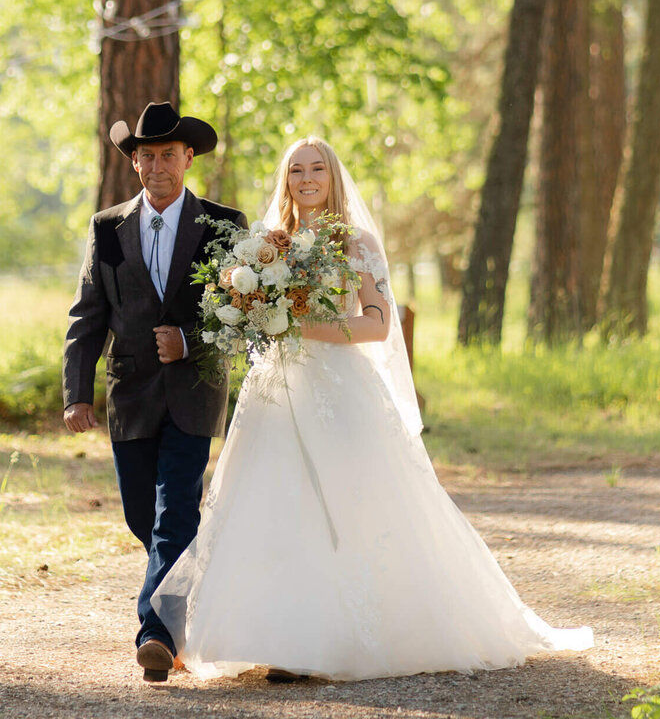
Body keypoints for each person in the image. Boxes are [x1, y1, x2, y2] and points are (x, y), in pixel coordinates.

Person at [150, 136, 593, 682]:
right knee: (273, 503)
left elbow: (377, 323)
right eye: (296, 171)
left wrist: (300, 325)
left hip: (340, 388)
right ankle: (276, 637)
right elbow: (245, 314)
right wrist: (251, 314)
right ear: (285, 180)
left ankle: (322, 642)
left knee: (345, 506)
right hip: (276, 391)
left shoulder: (357, 243)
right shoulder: (267, 243)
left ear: (333, 177)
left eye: (317, 169)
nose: (306, 179)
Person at [62, 101, 248, 683]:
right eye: (148, 156)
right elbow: (88, 314)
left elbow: (239, 314)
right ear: (134, 163)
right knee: (143, 515)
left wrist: (187, 340)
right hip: (131, 395)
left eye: (170, 154)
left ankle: (156, 634)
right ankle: (188, 591)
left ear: (188, 158)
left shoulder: (223, 225)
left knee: (175, 511)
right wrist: (76, 392)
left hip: (195, 391)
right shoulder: (107, 227)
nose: (159, 165)